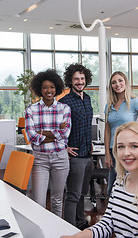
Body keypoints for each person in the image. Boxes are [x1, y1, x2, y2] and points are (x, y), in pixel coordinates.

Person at [61, 121, 138, 238]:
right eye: (121, 147)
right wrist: (78, 236)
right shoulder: (120, 183)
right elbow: (108, 223)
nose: (126, 153)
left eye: (134, 146)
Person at [25, 69, 71, 217]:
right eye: (45, 87)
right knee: (38, 202)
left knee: (57, 200)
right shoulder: (31, 110)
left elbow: (65, 134)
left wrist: (42, 133)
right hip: (40, 159)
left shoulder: (64, 108)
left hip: (60, 158)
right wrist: (55, 132)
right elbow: (32, 137)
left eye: (52, 87)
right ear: (40, 89)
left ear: (56, 88)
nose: (49, 90)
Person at [59, 63, 93, 229]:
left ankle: (80, 223)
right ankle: (70, 228)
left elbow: (86, 125)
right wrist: (64, 147)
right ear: (70, 81)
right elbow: (56, 128)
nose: (80, 82)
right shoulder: (64, 102)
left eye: (82, 78)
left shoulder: (87, 99)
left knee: (82, 194)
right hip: (75, 156)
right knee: (73, 195)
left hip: (88, 154)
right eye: (76, 79)